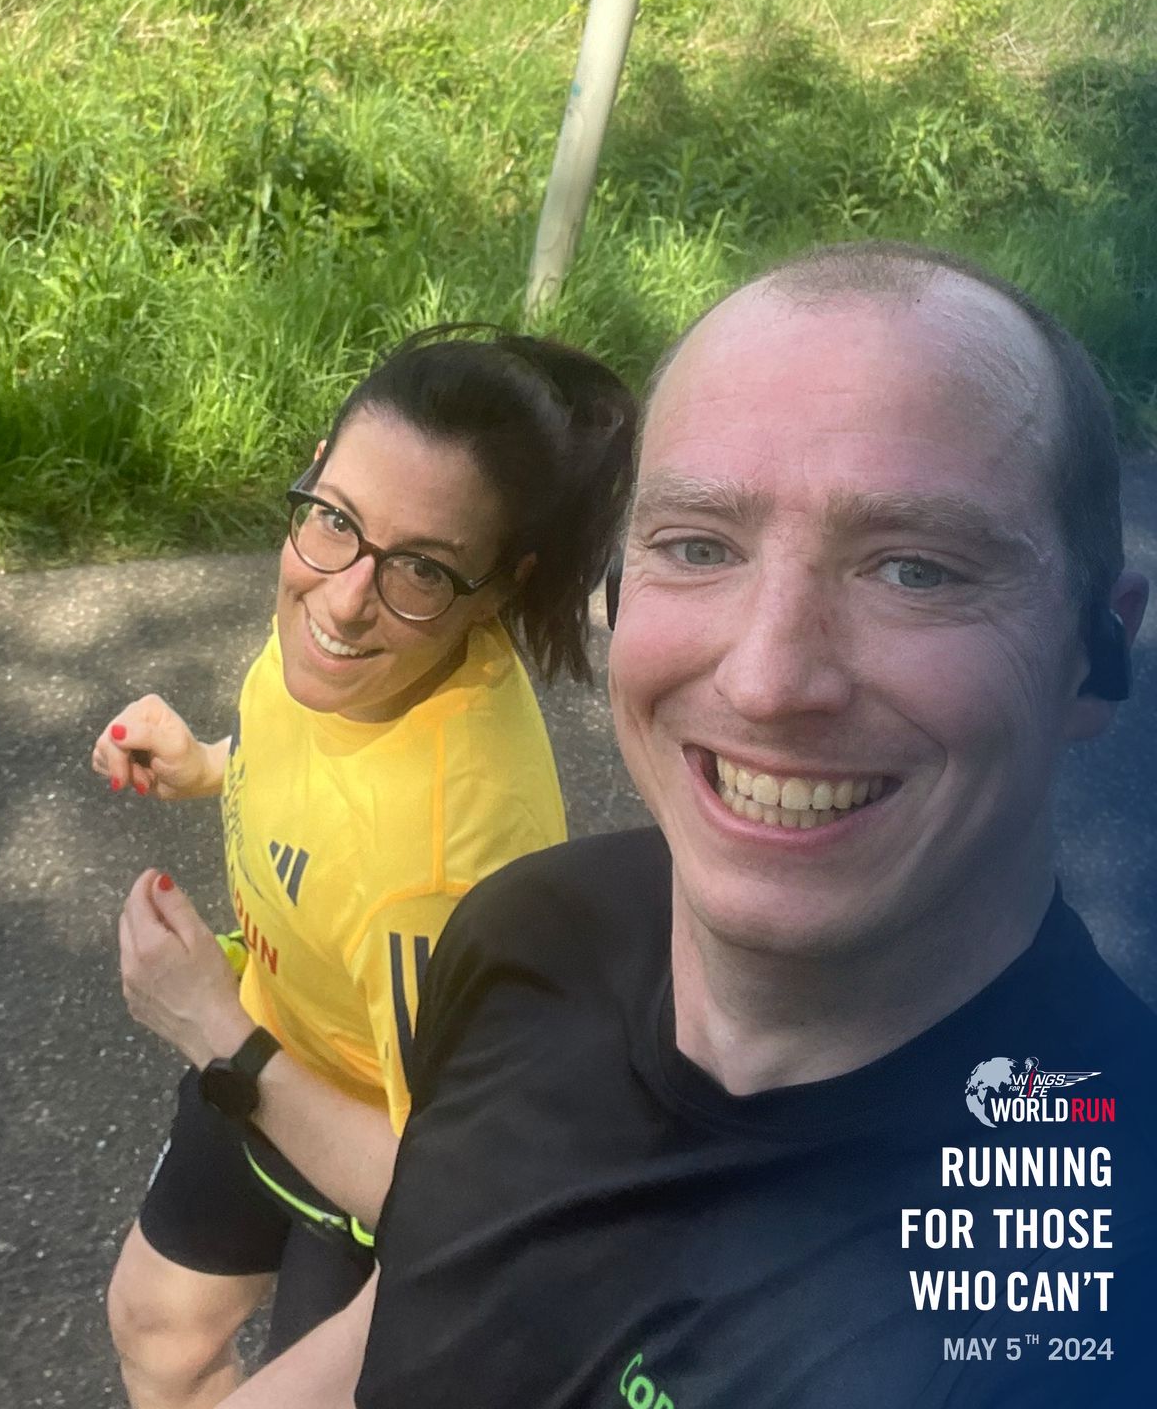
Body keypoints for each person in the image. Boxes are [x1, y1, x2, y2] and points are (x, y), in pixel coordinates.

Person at [220, 241, 1157, 1409]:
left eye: (915, 569)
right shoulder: (531, 930)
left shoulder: (1100, 1282)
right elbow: (434, 1291)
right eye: (699, 545)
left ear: (1098, 653)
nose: (767, 680)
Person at [93, 328, 638, 1409]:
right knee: (157, 1329)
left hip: (373, 1156)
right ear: (315, 474)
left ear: (498, 589)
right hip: (272, 1034)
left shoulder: (435, 883)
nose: (344, 601)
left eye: (422, 567)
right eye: (336, 518)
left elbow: (454, 1197)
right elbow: (324, 767)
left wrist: (209, 1024)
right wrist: (209, 763)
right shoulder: (352, 632)